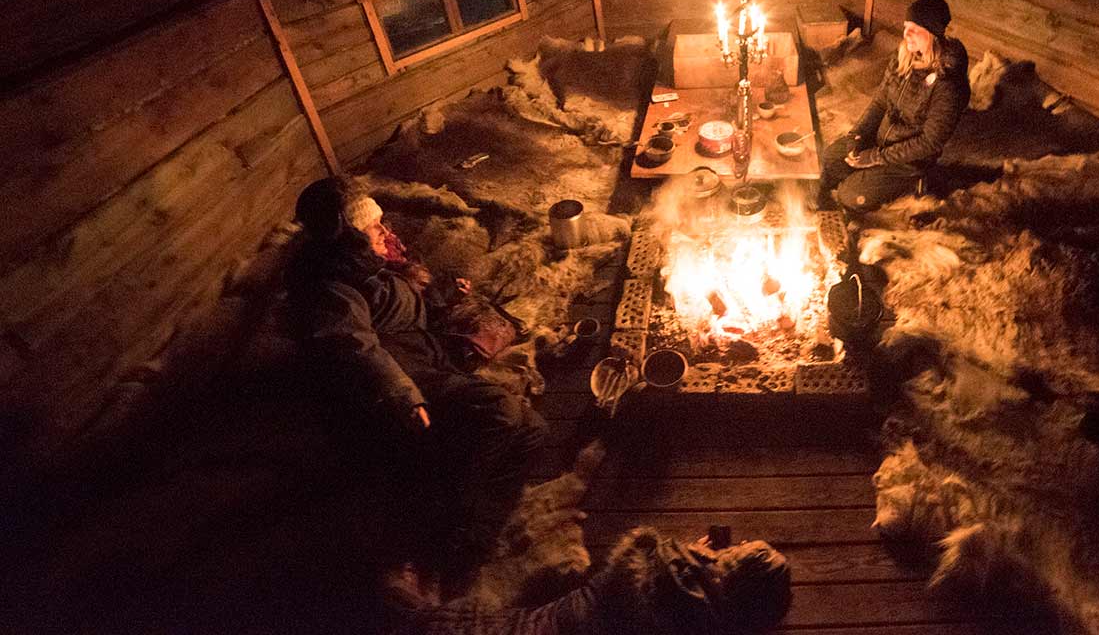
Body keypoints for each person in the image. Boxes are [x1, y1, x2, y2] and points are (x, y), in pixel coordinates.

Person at [286, 177, 545, 584]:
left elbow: (403, 310)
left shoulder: (366, 266)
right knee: (501, 411)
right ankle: (451, 526)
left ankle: (474, 536)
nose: (387, 234)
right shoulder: (329, 287)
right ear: (348, 234)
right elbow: (354, 345)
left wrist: (444, 299)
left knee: (531, 428)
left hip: (426, 356)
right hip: (398, 378)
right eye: (375, 228)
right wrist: (404, 397)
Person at [381, 527, 793, 635]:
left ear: (730, 572)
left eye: (736, 551)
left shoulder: (657, 562)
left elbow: (635, 573)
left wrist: (687, 555)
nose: (728, 546)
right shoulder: (711, 621)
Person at [820, 0, 970, 212]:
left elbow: (929, 142)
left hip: (909, 161)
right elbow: (881, 102)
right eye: (906, 26)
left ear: (933, 35)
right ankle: (872, 177)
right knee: (831, 159)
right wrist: (857, 136)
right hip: (882, 140)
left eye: (915, 29)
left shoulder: (948, 83)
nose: (906, 34)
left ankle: (915, 183)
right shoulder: (903, 58)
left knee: (849, 195)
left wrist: (875, 157)